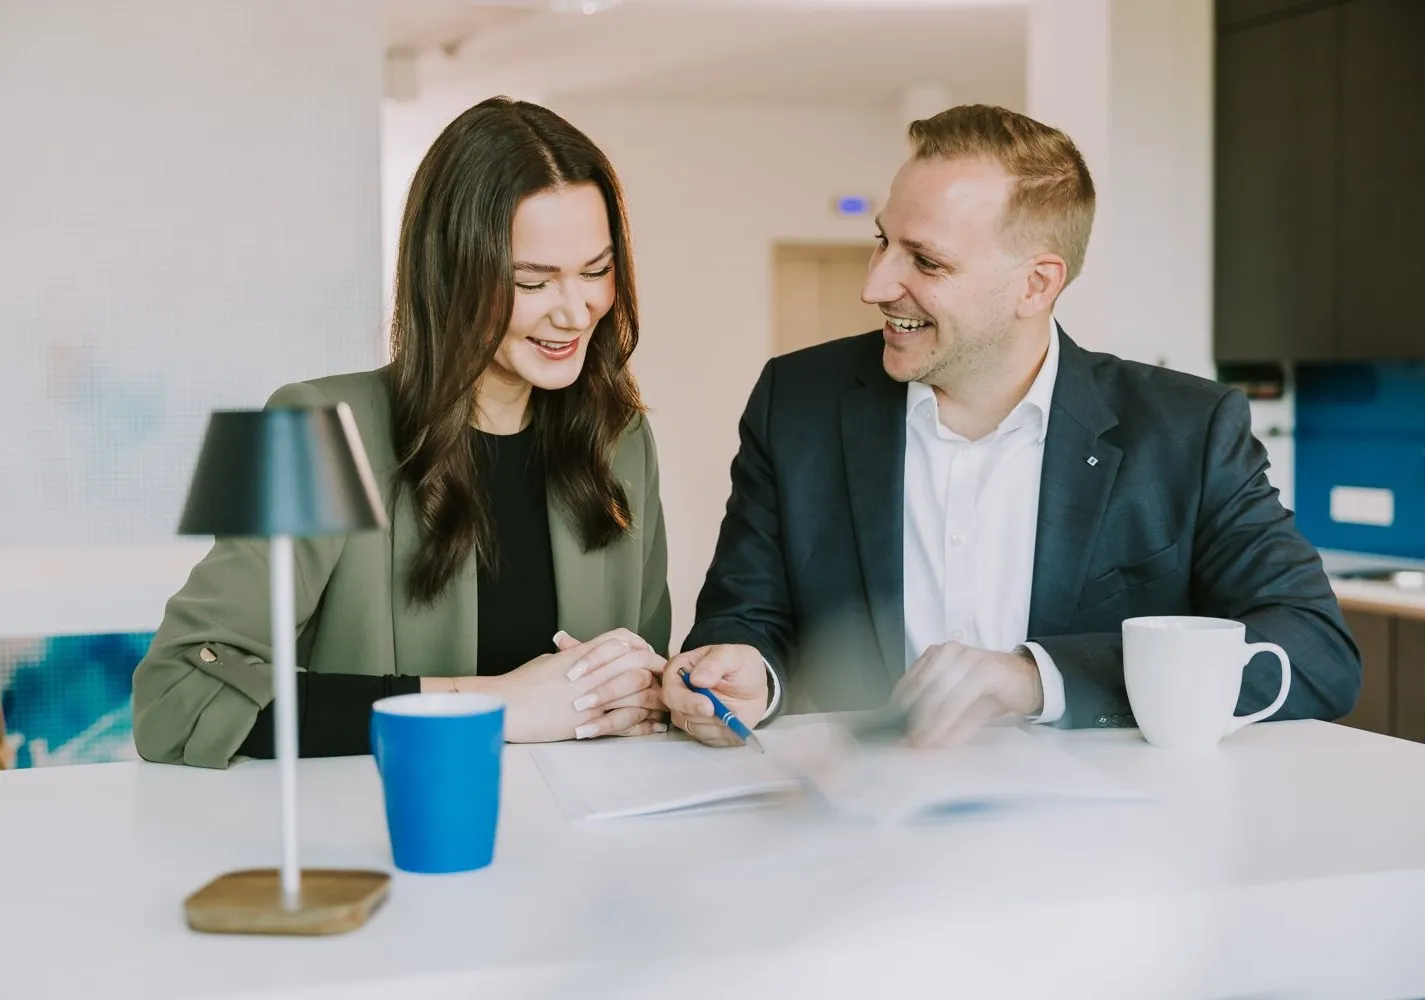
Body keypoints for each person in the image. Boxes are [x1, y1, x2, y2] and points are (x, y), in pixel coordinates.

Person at [663, 103, 1360, 749]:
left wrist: (1037, 677)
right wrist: (745, 669)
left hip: (1104, 851)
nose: (874, 284)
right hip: (857, 835)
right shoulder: (797, 402)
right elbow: (744, 614)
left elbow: (1314, 652)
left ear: (1036, 284)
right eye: (883, 241)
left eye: (925, 261)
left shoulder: (1186, 429)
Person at [133, 97, 672, 769]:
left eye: (596, 271)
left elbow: (633, 690)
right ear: (450, 275)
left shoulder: (619, 442)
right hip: (389, 844)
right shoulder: (321, 430)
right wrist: (486, 705)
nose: (575, 310)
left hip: (578, 848)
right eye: (532, 280)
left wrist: (670, 688)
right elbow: (179, 696)